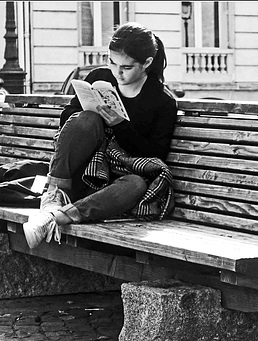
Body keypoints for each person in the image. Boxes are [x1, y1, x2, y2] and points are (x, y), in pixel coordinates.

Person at [22, 22, 178, 249]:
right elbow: (68, 120)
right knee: (86, 119)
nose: (118, 72)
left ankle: (58, 217)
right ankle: (54, 196)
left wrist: (119, 125)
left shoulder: (162, 100)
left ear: (147, 63)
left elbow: (155, 154)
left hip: (114, 185)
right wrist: (90, 109)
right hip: (83, 171)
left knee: (136, 184)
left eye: (126, 67)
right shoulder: (99, 77)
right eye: (112, 62)